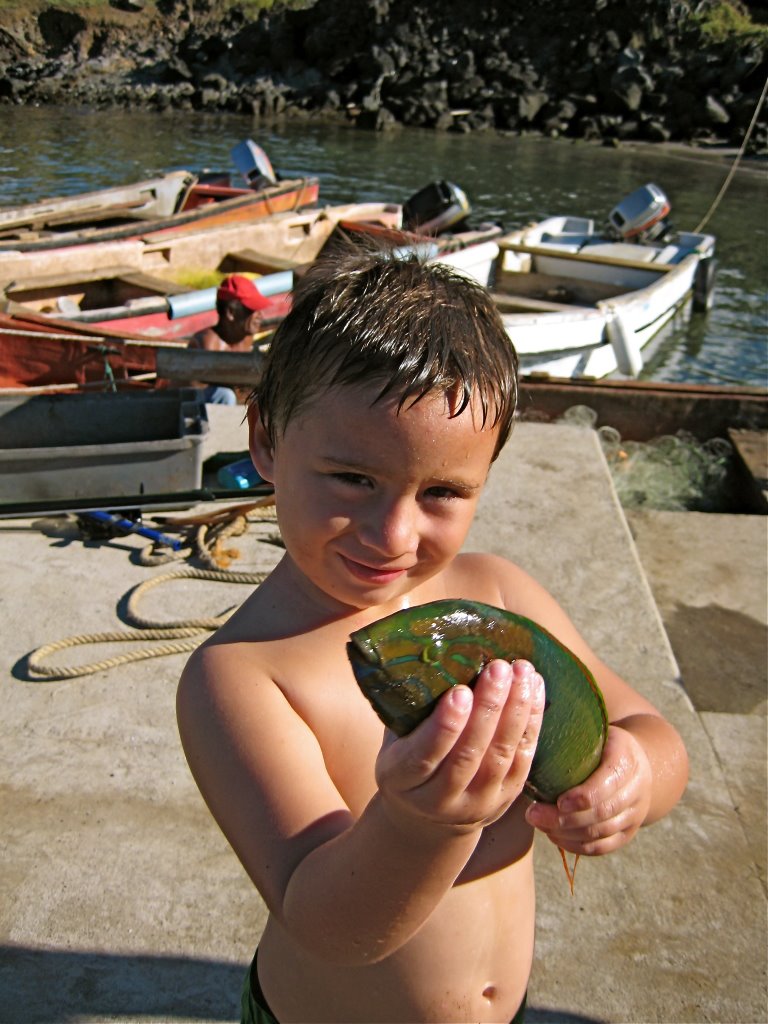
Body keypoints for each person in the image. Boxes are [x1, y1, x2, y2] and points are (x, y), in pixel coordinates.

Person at [176, 242, 689, 1024]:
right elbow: (323, 922)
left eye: (443, 491)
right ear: (268, 441)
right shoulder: (244, 678)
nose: (392, 533)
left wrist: (632, 779)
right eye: (354, 479)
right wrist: (422, 824)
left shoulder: (498, 593)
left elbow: (652, 733)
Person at [187, 274, 271, 405]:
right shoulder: (206, 344)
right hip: (199, 411)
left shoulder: (247, 339)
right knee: (225, 395)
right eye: (252, 309)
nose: (260, 315)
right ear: (230, 312)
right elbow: (194, 395)